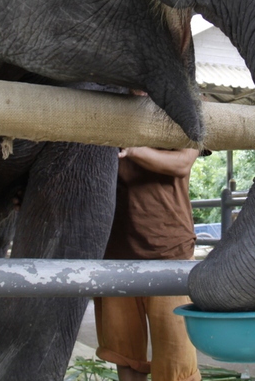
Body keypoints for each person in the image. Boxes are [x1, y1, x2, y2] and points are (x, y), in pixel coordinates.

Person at [94, 141, 202, 381]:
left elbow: (182, 163)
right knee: (126, 358)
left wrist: (132, 149)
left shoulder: (186, 109)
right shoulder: (102, 113)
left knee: (177, 365)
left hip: (171, 255)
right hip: (115, 256)